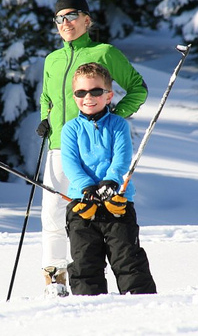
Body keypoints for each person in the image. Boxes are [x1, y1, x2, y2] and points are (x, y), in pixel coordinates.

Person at [37, 0, 148, 297]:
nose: (65, 23)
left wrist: (112, 117)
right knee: (52, 214)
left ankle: (111, 278)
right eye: (59, 18)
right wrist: (45, 118)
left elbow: (138, 89)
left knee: (95, 213)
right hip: (59, 146)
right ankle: (54, 279)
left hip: (94, 148)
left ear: (86, 20)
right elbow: (46, 97)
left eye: (72, 16)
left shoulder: (104, 52)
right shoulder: (52, 59)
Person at [61, 62, 157, 295]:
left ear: (109, 95)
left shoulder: (118, 125)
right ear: (74, 97)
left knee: (127, 259)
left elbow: (122, 157)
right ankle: (89, 306)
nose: (88, 97)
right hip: (82, 205)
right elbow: (70, 163)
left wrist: (111, 181)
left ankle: (141, 302)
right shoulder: (70, 129)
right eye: (81, 93)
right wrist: (86, 187)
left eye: (95, 91)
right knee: (85, 261)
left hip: (117, 202)